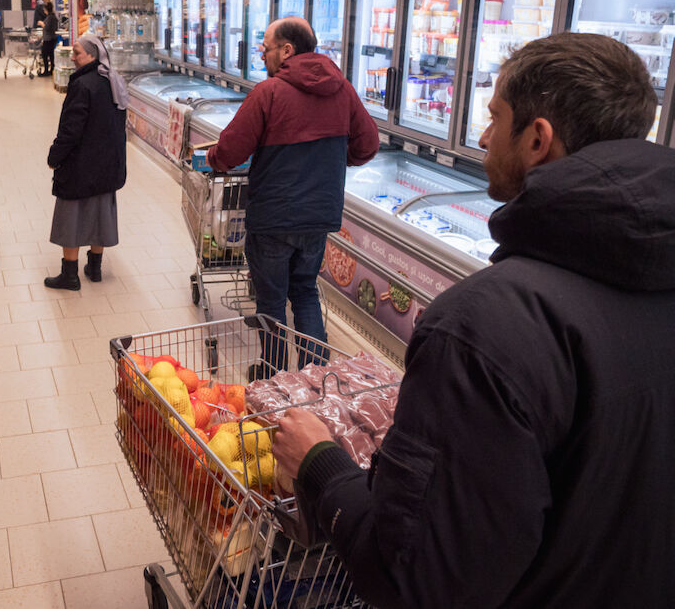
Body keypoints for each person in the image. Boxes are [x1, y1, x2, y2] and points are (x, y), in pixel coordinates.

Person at [272, 32, 675, 608]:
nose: (482, 138)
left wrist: (321, 465)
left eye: (494, 117)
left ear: (538, 139)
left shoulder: (484, 328)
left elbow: (415, 582)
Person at [206, 17, 378, 378]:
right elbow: (368, 145)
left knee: (270, 301)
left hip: (273, 217)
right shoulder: (343, 90)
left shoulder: (269, 93)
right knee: (304, 291)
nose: (262, 55)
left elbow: (231, 149)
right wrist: (333, 160)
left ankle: (274, 376)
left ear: (287, 50)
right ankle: (314, 379)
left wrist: (213, 160)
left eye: (265, 48)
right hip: (318, 216)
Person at [44, 33, 128, 290]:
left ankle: (69, 275)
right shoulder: (113, 81)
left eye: (77, 52)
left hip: (81, 164)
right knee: (100, 213)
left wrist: (55, 156)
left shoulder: (83, 85)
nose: (73, 56)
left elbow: (71, 130)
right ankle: (95, 268)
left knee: (71, 214)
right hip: (107, 163)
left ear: (92, 55)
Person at [38, 0, 58, 77]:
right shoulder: (53, 17)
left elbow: (47, 28)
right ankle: (51, 69)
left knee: (45, 55)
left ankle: (47, 71)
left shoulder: (50, 18)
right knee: (51, 55)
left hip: (48, 39)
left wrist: (42, 24)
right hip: (51, 38)